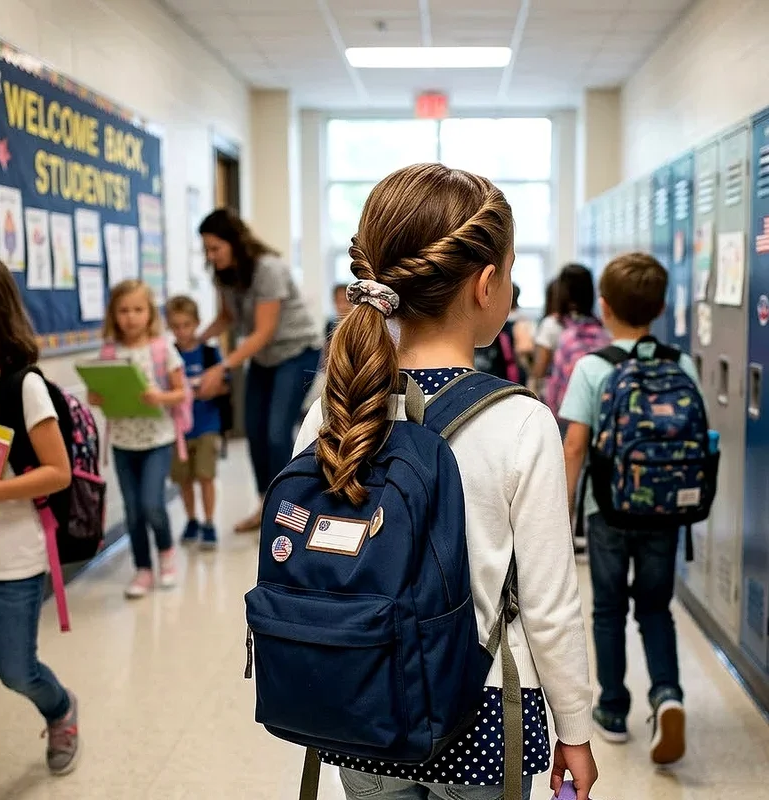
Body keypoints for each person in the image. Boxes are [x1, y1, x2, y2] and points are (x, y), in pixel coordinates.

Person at [294, 164, 598, 800]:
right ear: (487, 285)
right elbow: (549, 606)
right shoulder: (521, 421)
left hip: (361, 694)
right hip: (481, 707)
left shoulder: (335, 408)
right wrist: (573, 725)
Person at [560, 253, 698, 765]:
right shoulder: (679, 363)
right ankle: (668, 694)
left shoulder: (593, 368)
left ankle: (613, 709)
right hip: (664, 514)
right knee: (657, 608)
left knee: (608, 609)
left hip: (609, 512)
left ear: (605, 307)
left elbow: (575, 445)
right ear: (661, 307)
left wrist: (562, 508)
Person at [0, 257, 79, 798]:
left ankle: (60, 708)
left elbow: (58, 473)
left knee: (16, 670)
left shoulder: (21, 386)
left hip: (13, 556)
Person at [194, 210, 321, 532]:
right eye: (206, 249)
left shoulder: (269, 269)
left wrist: (222, 367)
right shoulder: (224, 274)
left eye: (215, 249)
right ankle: (267, 504)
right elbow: (227, 318)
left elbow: (264, 331)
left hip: (296, 352)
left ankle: (288, 510)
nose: (211, 256)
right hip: (263, 357)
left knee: (277, 433)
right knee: (253, 431)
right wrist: (194, 340)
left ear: (235, 243)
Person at [89, 280, 186, 599]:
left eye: (138, 309)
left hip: (157, 439)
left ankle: (166, 553)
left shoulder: (162, 349)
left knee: (151, 505)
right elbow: (99, 393)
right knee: (132, 510)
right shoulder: (108, 351)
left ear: (150, 313)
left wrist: (159, 396)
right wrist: (98, 396)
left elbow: (180, 392)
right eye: (123, 310)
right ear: (113, 314)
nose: (130, 317)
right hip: (122, 442)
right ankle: (142, 568)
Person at [166, 295, 228, 549]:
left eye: (187, 325)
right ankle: (191, 519)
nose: (182, 331)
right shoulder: (170, 356)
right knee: (184, 479)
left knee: (205, 476)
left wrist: (209, 390)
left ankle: (209, 522)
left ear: (197, 323)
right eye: (176, 326)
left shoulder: (209, 353)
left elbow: (225, 386)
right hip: (179, 430)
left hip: (207, 425)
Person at [543, 264, 609, 421]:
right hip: (596, 408)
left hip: (564, 410)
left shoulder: (552, 325)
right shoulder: (601, 328)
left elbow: (539, 371)